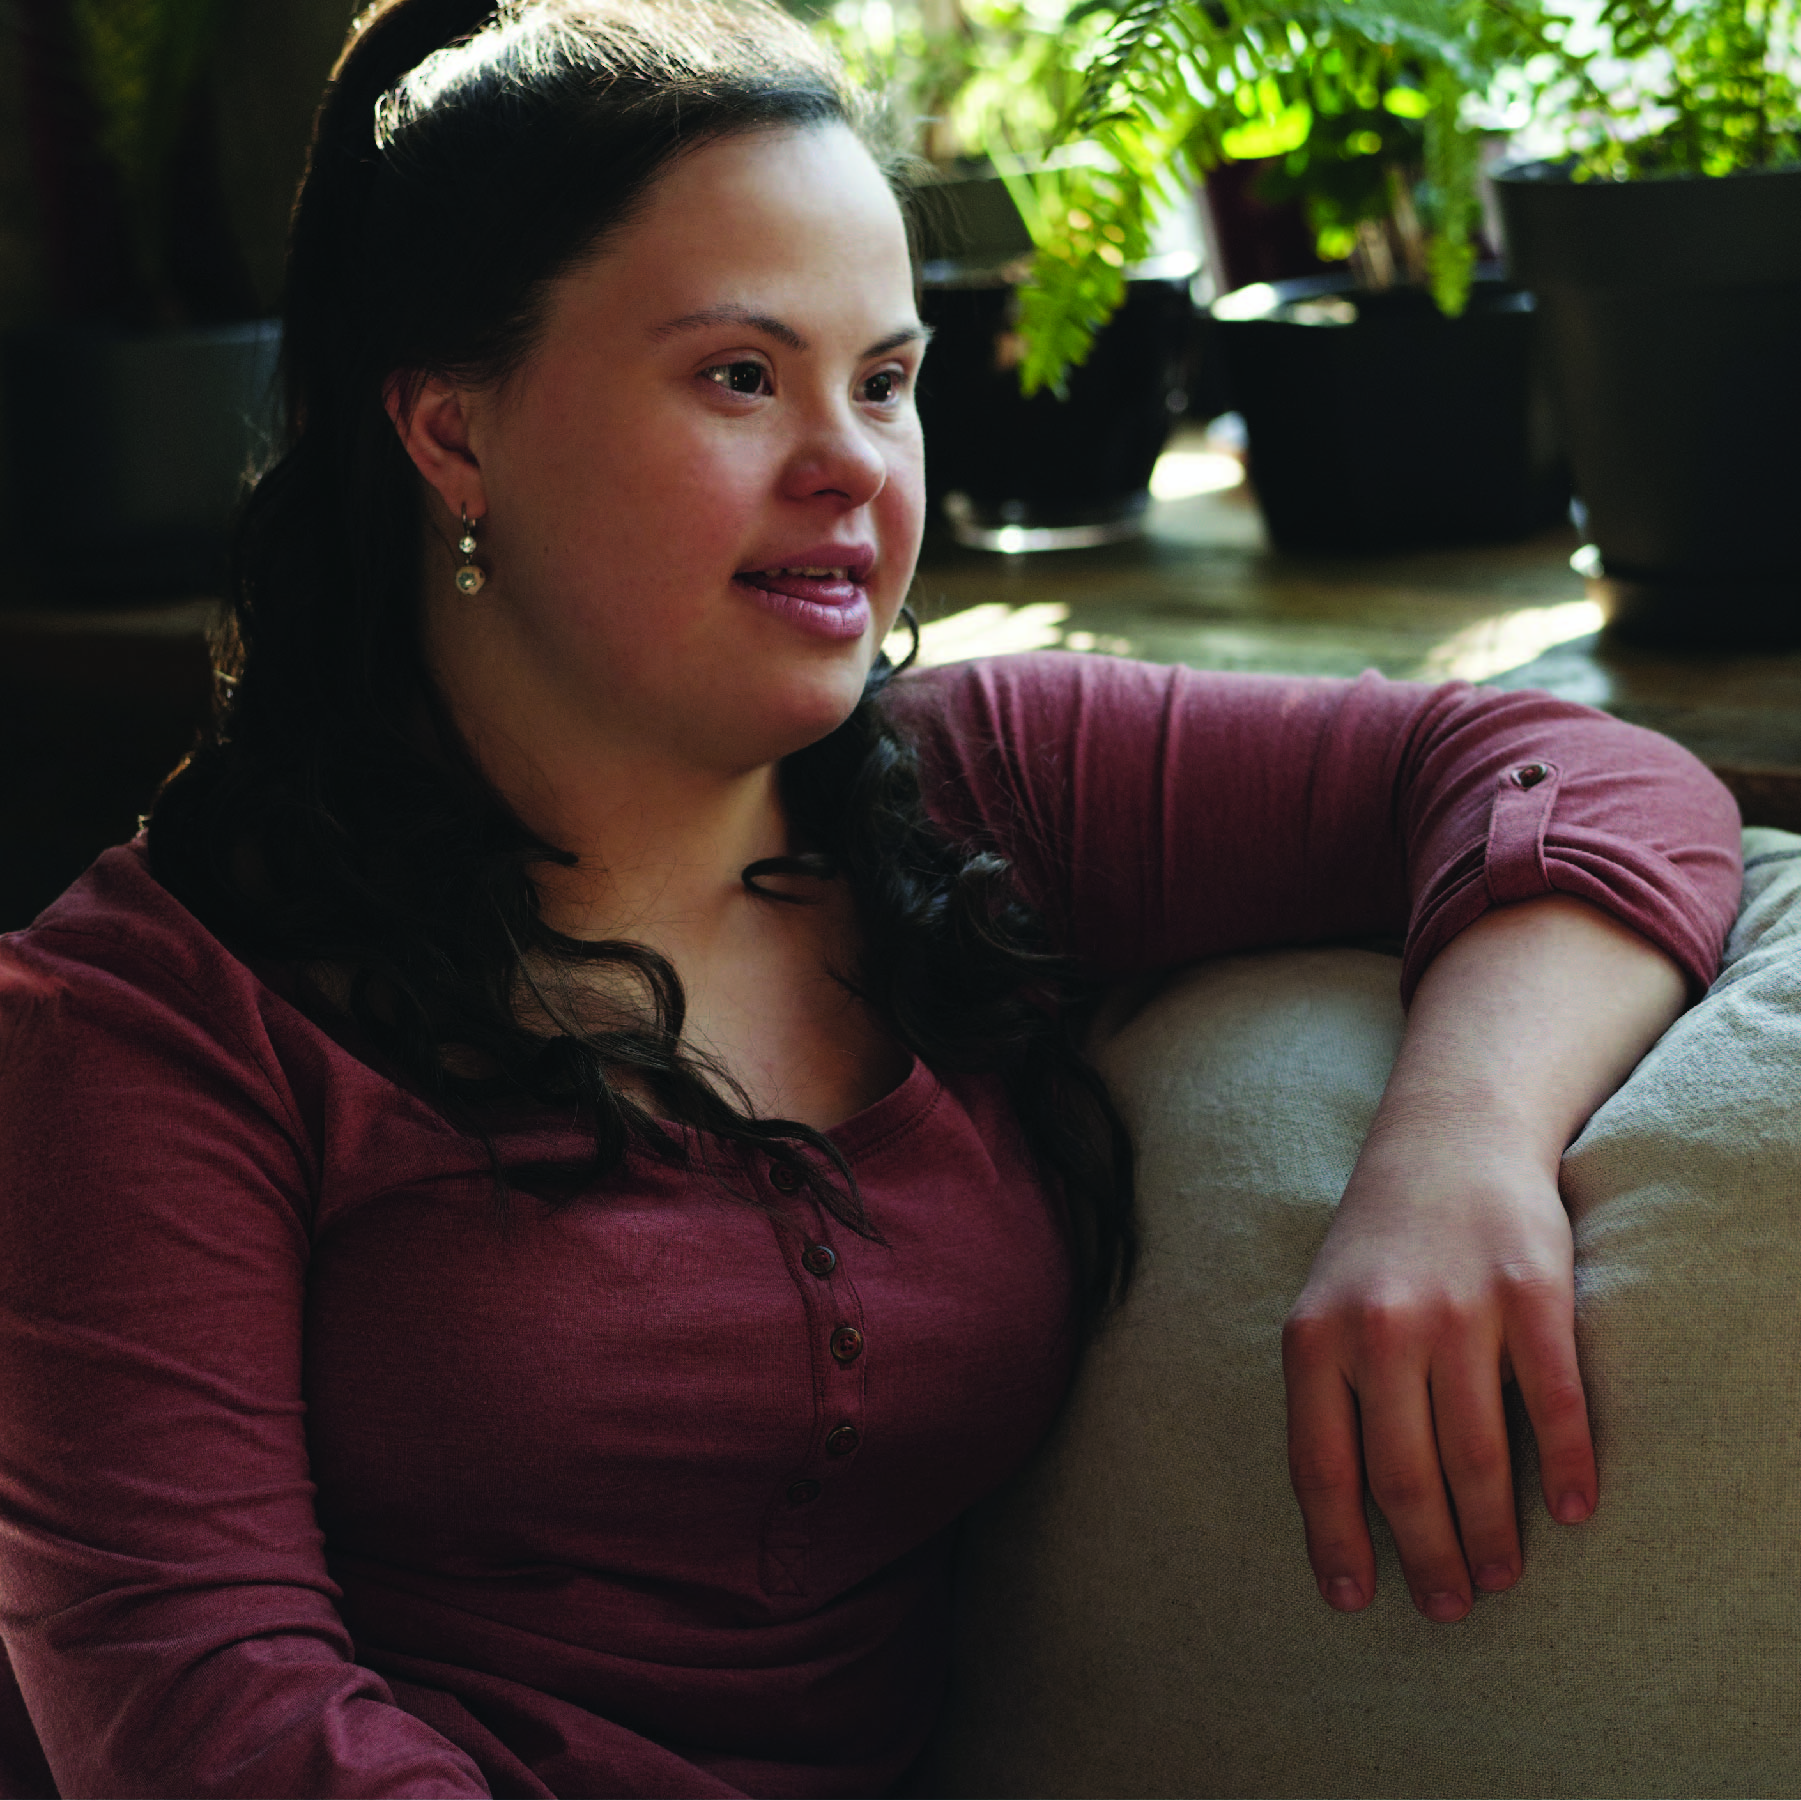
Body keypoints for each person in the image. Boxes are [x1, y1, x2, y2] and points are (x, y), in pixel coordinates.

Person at [0, 0, 1742, 1793]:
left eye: (888, 381)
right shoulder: (138, 1024)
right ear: (454, 432)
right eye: (741, 376)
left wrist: (1452, 1154)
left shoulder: (970, 787)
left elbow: (1584, 774)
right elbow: (198, 1714)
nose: (851, 464)